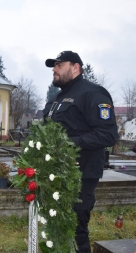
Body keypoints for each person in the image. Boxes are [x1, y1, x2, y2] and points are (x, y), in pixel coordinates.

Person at [43, 51, 118, 253]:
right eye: (53, 66)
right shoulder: (57, 98)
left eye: (59, 65)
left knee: (75, 229)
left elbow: (107, 135)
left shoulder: (93, 93)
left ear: (75, 67)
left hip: (80, 173)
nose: (54, 69)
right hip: (55, 172)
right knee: (55, 227)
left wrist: (67, 143)